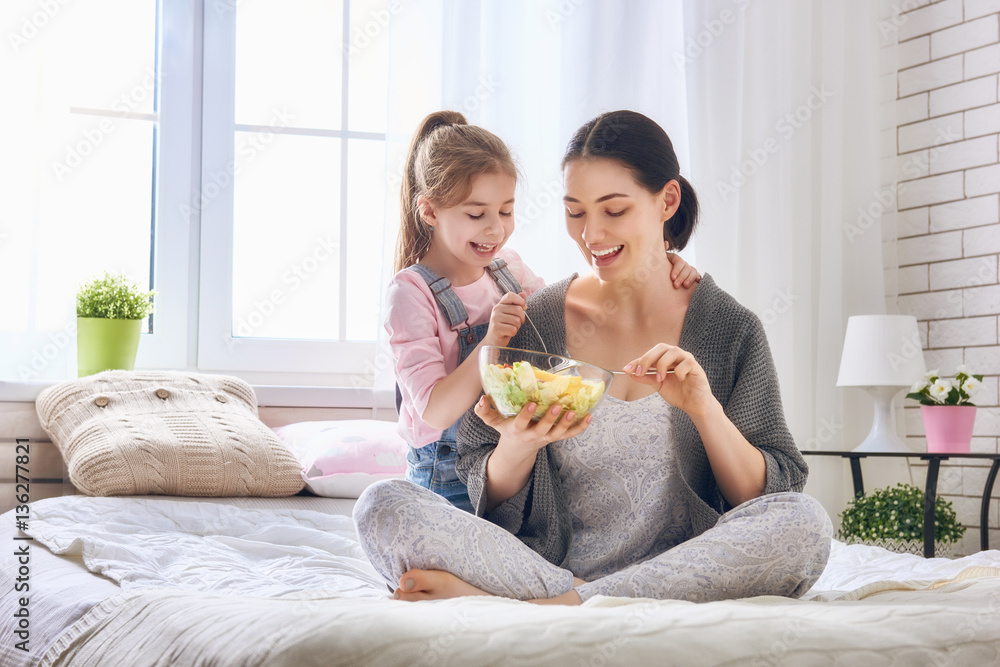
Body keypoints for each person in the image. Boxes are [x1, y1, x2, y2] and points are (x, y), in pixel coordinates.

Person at [387, 110, 700, 513]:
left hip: (512, 469)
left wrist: (663, 261)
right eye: (475, 214)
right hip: (444, 480)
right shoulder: (411, 293)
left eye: (505, 211)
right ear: (429, 212)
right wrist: (491, 341)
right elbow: (435, 411)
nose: (495, 230)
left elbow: (572, 308)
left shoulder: (509, 270)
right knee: (382, 508)